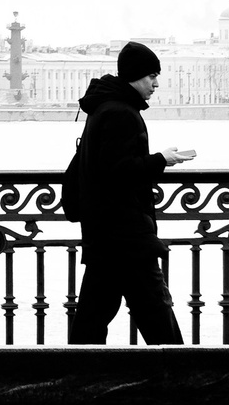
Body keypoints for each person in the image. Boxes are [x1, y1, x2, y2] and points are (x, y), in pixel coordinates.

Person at [59, 40, 193, 344]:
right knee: (157, 315)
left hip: (105, 232)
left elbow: (107, 167)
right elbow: (117, 172)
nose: (156, 84)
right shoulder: (121, 113)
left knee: (92, 320)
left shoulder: (104, 108)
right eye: (151, 77)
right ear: (134, 76)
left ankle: (76, 379)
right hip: (126, 235)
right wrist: (162, 159)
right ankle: (182, 379)